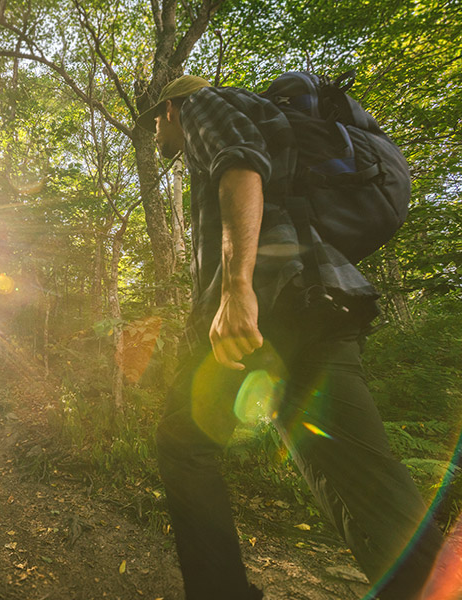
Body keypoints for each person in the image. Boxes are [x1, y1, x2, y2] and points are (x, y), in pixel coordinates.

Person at [136, 75, 444, 599]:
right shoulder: (264, 116)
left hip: (269, 305)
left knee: (183, 444)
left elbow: (240, 164)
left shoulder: (202, 104)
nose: (156, 140)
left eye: (154, 128)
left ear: (169, 108)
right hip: (317, 302)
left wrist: (236, 290)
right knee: (362, 484)